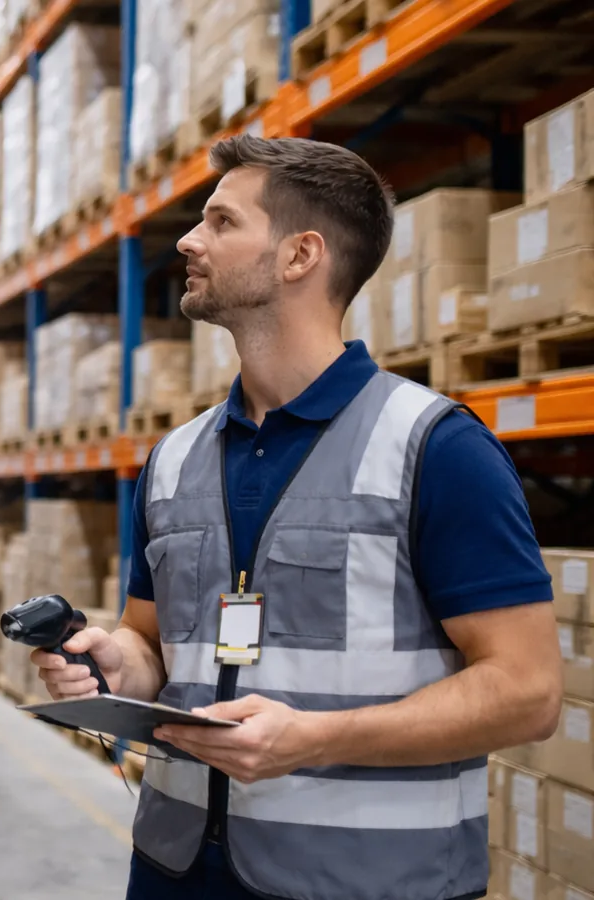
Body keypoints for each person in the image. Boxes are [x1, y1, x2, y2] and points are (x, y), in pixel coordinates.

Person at [30, 135, 563, 900]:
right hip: (177, 870)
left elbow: (529, 690)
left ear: (300, 255)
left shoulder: (434, 448)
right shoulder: (175, 459)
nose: (188, 240)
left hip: (364, 883)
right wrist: (117, 666)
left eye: (220, 222)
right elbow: (150, 642)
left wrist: (314, 738)